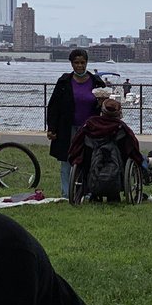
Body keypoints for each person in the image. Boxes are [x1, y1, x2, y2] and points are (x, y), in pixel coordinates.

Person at [67, 98, 152, 201]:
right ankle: (151, 162)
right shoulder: (121, 128)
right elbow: (133, 150)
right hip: (119, 164)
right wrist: (140, 161)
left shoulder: (90, 124)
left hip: (91, 162)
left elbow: (76, 145)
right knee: (146, 158)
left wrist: (75, 158)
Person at [46, 48, 107, 198]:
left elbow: (104, 107)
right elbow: (54, 106)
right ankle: (66, 193)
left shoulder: (96, 82)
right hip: (67, 128)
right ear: (71, 64)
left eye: (82, 62)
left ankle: (86, 191)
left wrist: (102, 103)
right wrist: (52, 128)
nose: (80, 66)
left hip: (89, 129)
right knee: (67, 160)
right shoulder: (64, 82)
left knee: (88, 159)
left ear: (87, 63)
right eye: (76, 63)